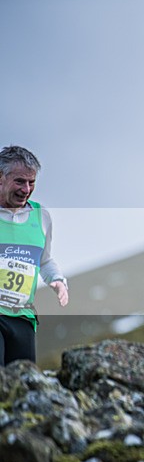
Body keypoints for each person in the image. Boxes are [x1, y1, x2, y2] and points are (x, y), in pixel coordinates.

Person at [0, 146, 68, 366]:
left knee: (22, 388)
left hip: (23, 317)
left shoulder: (42, 216)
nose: (26, 189)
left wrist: (57, 280)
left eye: (32, 182)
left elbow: (45, 260)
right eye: (19, 181)